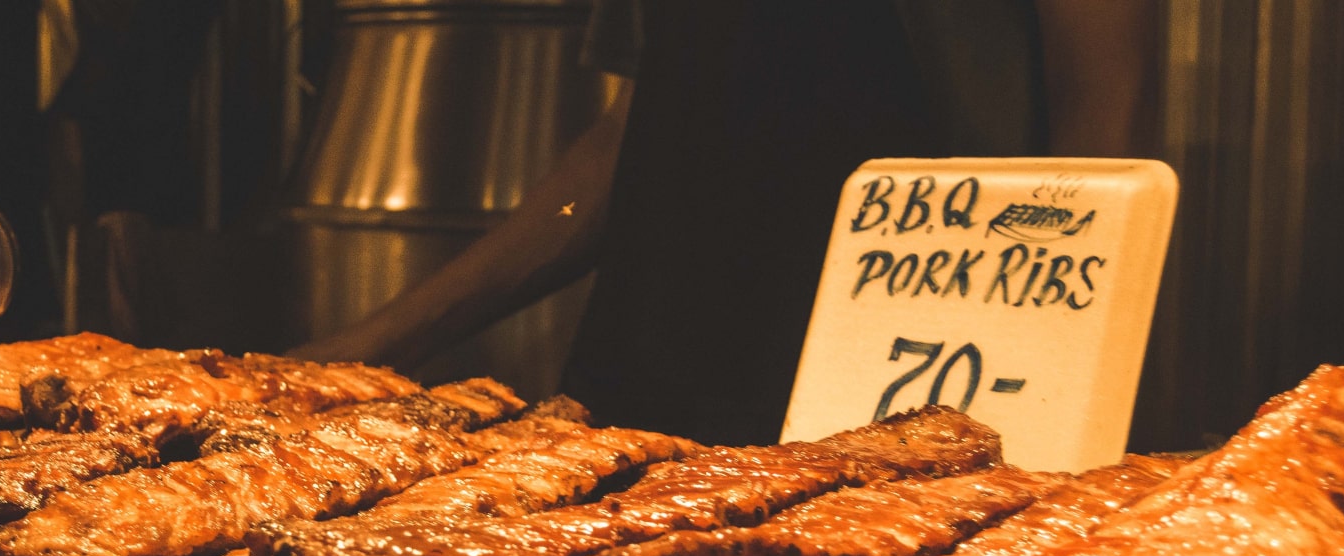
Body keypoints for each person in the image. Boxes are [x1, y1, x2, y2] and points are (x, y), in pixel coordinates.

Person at [290, 0, 1158, 445]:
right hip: (640, 414)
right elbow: (629, 148)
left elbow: (1097, 122)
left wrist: (1048, 403)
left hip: (905, 418)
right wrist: (379, 345)